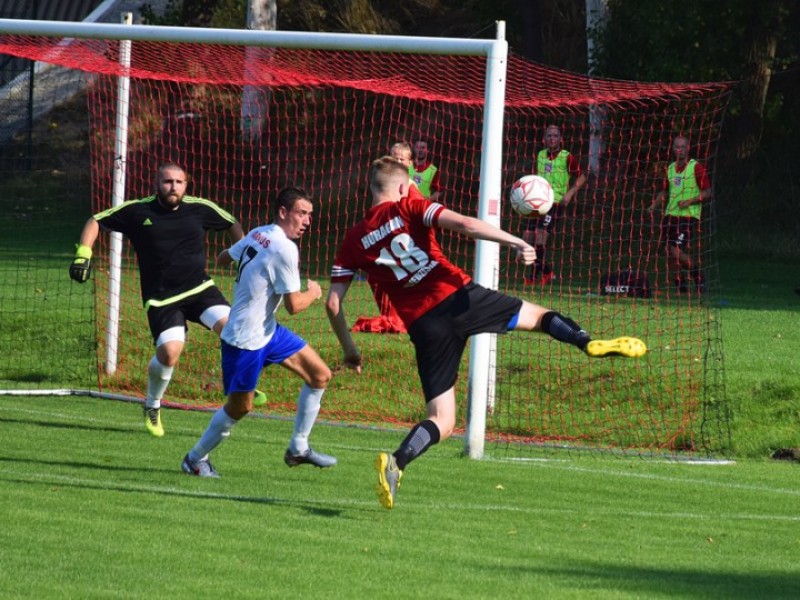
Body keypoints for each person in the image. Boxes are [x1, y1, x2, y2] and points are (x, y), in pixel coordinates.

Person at [325, 157, 646, 509]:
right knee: (539, 317)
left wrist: (351, 350)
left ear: (370, 190)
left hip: (424, 327)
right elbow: (465, 224)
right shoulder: (411, 206)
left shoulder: (353, 240)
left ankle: (397, 461)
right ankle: (586, 342)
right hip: (460, 299)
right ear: (403, 187)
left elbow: (333, 305)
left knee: (442, 420)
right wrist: (515, 242)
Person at [69, 162, 245, 438]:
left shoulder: (200, 208)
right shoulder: (138, 211)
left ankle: (239, 385)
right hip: (162, 299)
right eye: (167, 181)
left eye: (179, 182)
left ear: (186, 185)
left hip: (200, 290)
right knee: (170, 353)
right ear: (157, 183)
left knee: (233, 330)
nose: (173, 187)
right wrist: (83, 254)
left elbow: (233, 223)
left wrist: (241, 258)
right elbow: (96, 220)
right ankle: (152, 404)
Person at [181, 186, 336, 477]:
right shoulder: (285, 248)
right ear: (283, 212)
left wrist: (238, 262)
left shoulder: (257, 233)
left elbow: (223, 258)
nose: (306, 221)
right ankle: (194, 459)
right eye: (301, 213)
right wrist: (314, 292)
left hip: (267, 331)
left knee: (320, 375)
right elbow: (294, 305)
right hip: (244, 340)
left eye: (309, 215)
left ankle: (298, 448)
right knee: (240, 408)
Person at [522, 124, 587, 285]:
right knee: (527, 236)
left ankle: (537, 276)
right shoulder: (540, 155)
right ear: (544, 139)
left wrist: (570, 193)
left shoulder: (567, 157)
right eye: (549, 135)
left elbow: (583, 175)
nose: (552, 138)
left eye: (555, 135)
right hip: (538, 202)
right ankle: (545, 272)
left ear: (560, 139)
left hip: (555, 202)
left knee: (541, 235)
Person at [648, 135, 712, 294]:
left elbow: (708, 192)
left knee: (676, 250)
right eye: (677, 147)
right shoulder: (670, 168)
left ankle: (698, 276)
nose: (680, 150)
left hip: (688, 217)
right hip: (670, 216)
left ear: (688, 148)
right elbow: (665, 191)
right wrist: (653, 206)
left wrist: (690, 201)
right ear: (673, 149)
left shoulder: (696, 167)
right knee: (668, 251)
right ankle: (680, 283)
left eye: (683, 147)